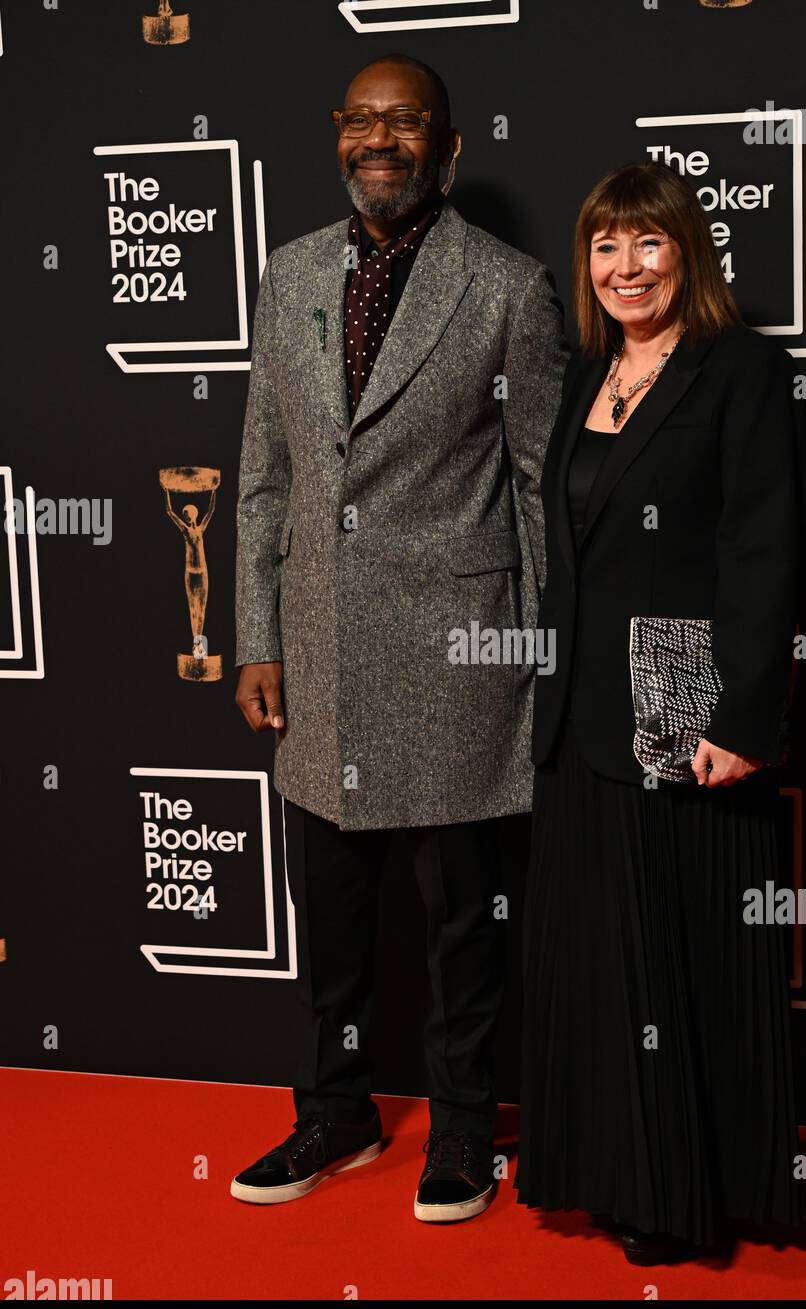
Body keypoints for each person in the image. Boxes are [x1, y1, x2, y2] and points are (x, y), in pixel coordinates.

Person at [230, 53, 567, 1221]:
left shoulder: (510, 287)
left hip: (458, 652)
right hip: (317, 650)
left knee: (465, 919)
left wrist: (539, 652)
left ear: (448, 145)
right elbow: (264, 476)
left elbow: (537, 488)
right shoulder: (286, 277)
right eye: (362, 119)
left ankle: (467, 1129)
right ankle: (335, 1110)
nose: (381, 138)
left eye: (405, 121)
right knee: (330, 921)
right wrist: (254, 633)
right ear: (336, 135)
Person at [513, 162, 806, 1263]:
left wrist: (740, 713)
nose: (622, 267)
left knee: (677, 957)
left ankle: (683, 1193)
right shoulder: (589, 373)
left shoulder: (739, 370)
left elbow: (761, 548)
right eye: (602, 246)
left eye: (645, 244)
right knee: (600, 959)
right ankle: (607, 1169)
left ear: (686, 252)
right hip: (575, 713)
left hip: (681, 698)